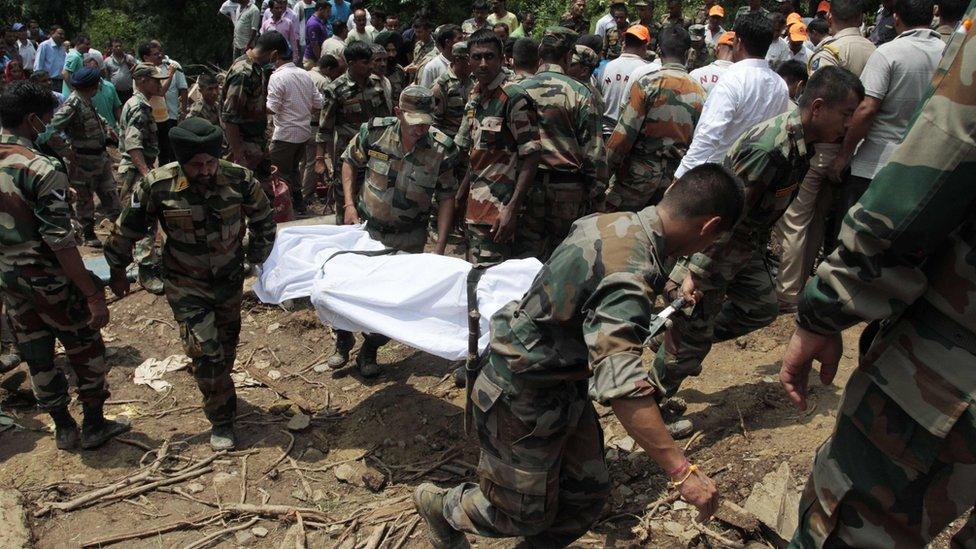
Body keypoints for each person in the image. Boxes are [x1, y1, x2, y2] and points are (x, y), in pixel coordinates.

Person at [413, 163, 742, 548]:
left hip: (561, 382)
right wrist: (682, 472)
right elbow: (620, 387)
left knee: (584, 495)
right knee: (518, 513)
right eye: (711, 241)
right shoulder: (631, 270)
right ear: (708, 227)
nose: (704, 252)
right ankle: (440, 505)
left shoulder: (617, 223)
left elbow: (592, 298)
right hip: (520, 391)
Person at [782, 11, 976, 545]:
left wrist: (826, 307)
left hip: (954, 356)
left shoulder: (891, 55)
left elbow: (949, 146)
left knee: (850, 518)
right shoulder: (904, 50)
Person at [654, 66, 864, 420]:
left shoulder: (802, 146)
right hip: (717, 247)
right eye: (845, 115)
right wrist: (694, 272)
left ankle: (686, 334)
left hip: (744, 247)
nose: (847, 126)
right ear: (817, 107)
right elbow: (723, 217)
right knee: (688, 344)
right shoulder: (772, 148)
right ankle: (652, 403)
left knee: (761, 307)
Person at [105, 118, 276, 451]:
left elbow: (263, 218)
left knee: (225, 350)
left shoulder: (239, 179)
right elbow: (127, 229)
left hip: (228, 280)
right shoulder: (157, 184)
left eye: (211, 162)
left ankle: (218, 388)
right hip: (185, 283)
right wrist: (116, 269)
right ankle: (222, 420)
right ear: (182, 161)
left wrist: (255, 256)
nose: (205, 170)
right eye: (196, 165)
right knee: (207, 353)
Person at [0, 81, 130, 451]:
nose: (49, 124)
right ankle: (93, 425)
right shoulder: (41, 168)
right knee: (86, 350)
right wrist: (92, 293)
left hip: (10, 281)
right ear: (31, 120)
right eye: (46, 118)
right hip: (52, 282)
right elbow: (61, 242)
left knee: (36, 354)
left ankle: (63, 428)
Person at [332, 86, 460, 376]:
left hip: (409, 235)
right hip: (367, 229)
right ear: (398, 113)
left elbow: (447, 197)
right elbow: (348, 161)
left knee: (392, 297)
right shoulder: (375, 133)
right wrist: (350, 205)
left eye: (426, 121)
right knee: (349, 287)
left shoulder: (442, 148)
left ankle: (371, 348)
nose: (421, 128)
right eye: (414, 121)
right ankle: (342, 338)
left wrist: (439, 247)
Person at [826, 0, 944, 249]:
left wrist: (844, 156)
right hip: (918, 166)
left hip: (873, 165)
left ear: (896, 17)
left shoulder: (889, 52)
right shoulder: (946, 52)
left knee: (849, 239)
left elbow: (867, 108)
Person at [517, 27, 608, 260]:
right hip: (567, 191)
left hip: (526, 187)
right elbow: (594, 152)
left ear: (540, 53)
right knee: (562, 258)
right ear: (568, 56)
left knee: (525, 256)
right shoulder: (579, 92)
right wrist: (597, 195)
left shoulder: (516, 90)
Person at [454, 29, 540, 266]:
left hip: (499, 213)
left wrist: (511, 209)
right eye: (476, 57)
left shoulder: (514, 98)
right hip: (475, 207)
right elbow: (478, 153)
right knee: (474, 279)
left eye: (490, 57)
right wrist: (461, 195)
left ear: (503, 59)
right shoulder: (476, 95)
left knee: (490, 283)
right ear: (468, 60)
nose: (483, 63)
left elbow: (531, 156)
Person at [675, 14, 790, 178]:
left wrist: (681, 174)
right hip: (756, 176)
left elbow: (709, 135)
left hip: (720, 176)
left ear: (738, 43)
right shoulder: (780, 85)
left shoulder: (732, 80)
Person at [606, 25, 705, 213]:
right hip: (673, 184)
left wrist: (603, 174)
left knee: (619, 231)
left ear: (658, 50)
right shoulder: (700, 93)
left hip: (635, 179)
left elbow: (623, 136)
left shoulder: (647, 83)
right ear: (688, 52)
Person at [314, 41, 389, 223]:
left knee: (375, 199)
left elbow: (385, 122)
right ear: (351, 63)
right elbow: (325, 127)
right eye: (366, 62)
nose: (372, 66)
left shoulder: (377, 86)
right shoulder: (336, 89)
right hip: (348, 156)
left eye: (371, 61)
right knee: (345, 201)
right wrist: (319, 160)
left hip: (375, 154)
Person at [44, 67, 120, 248]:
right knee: (85, 201)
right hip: (83, 162)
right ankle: (87, 233)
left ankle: (121, 232)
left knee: (111, 196)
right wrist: (65, 150)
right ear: (92, 85)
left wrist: (108, 129)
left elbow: (95, 119)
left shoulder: (87, 101)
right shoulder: (73, 104)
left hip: (101, 158)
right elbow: (50, 130)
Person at [116, 63, 167, 293]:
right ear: (142, 80)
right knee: (144, 219)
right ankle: (146, 271)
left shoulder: (140, 103)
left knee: (137, 217)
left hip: (139, 167)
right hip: (136, 170)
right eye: (155, 79)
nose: (159, 83)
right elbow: (133, 143)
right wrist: (146, 174)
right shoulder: (138, 107)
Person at [264, 31, 323, 215]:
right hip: (303, 132)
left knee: (277, 173)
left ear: (276, 57)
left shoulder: (277, 77)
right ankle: (299, 206)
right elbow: (319, 103)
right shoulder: (305, 74)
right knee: (293, 170)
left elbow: (271, 108)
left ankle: (282, 210)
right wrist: (303, 112)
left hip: (286, 134)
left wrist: (254, 104)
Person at [220, 38, 273, 190]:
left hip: (256, 144)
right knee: (241, 193)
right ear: (274, 54)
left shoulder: (256, 69)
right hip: (244, 147)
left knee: (262, 195)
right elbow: (230, 116)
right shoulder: (243, 72)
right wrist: (238, 154)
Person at [599, 25, 649, 138]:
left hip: (606, 132)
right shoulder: (648, 70)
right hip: (631, 136)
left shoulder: (606, 67)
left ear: (624, 43)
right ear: (645, 46)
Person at [430, 41, 472, 138]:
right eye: (469, 59)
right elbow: (434, 122)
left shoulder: (474, 80)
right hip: (451, 141)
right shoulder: (441, 86)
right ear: (457, 60)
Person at [83, 58, 123, 132]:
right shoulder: (84, 92)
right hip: (96, 132)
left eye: (96, 68)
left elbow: (117, 108)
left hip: (113, 130)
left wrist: (122, 128)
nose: (94, 72)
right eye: (90, 70)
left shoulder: (109, 86)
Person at [376, 31, 407, 101]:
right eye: (388, 50)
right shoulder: (372, 72)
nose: (391, 54)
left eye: (394, 50)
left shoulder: (399, 70)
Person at [34, 27, 66, 91]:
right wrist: (39, 82)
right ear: (52, 33)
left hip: (61, 82)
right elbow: (38, 64)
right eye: (60, 34)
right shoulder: (44, 45)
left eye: (63, 34)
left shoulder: (62, 47)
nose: (62, 36)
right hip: (48, 81)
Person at [105, 38, 136, 104]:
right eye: (116, 46)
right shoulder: (107, 61)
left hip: (130, 91)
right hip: (116, 92)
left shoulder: (129, 58)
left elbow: (137, 72)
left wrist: (131, 66)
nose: (118, 48)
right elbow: (107, 77)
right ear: (111, 48)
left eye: (120, 46)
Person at [303, 0, 333, 68]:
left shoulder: (319, 21)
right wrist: (321, 60)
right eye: (327, 11)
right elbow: (315, 45)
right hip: (312, 60)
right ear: (320, 9)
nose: (329, 14)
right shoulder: (313, 24)